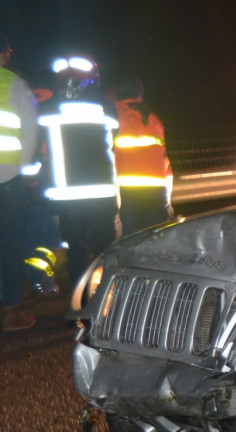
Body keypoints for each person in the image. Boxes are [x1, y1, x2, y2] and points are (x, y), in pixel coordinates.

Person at [36, 54, 120, 287]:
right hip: (102, 192)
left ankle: (79, 304)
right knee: (106, 250)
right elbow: (117, 134)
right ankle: (108, 299)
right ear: (92, 80)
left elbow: (36, 145)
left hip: (68, 195)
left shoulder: (49, 108)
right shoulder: (105, 107)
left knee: (77, 251)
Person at [0, 34, 40, 331]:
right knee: (11, 245)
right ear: (6, 53)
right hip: (8, 179)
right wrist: (25, 172)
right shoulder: (16, 84)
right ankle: (10, 311)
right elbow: (29, 134)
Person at [111, 76, 172, 233]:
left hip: (128, 187)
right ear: (140, 95)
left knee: (132, 238)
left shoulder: (116, 115)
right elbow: (162, 155)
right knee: (155, 236)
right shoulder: (152, 117)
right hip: (157, 186)